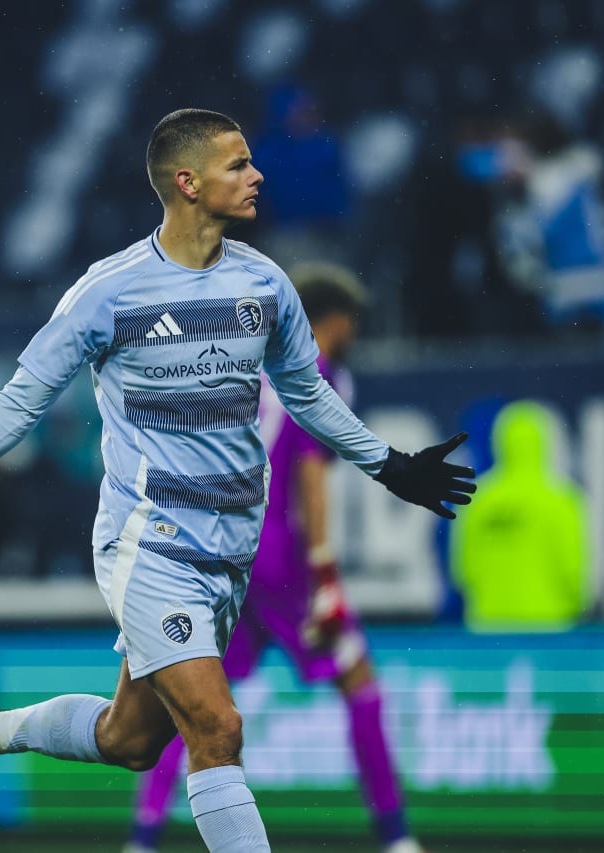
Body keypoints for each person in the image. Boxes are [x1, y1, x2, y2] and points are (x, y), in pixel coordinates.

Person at [0, 108, 476, 852]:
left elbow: (307, 394)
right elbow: (20, 401)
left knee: (133, 738)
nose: (256, 174)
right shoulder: (109, 292)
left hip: (230, 553)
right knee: (218, 726)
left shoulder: (264, 284)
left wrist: (390, 465)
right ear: (187, 181)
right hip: (151, 547)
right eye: (237, 164)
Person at [122, 263, 426, 853]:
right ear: (331, 321)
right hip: (283, 563)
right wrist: (327, 575)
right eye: (349, 324)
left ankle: (144, 836)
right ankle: (397, 839)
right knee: (361, 684)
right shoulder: (318, 373)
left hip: (223, 557)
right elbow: (310, 471)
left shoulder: (242, 361)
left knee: (193, 707)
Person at [450, 399, 587, 632]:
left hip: (490, 626)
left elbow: (463, 572)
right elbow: (573, 571)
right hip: (550, 624)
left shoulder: (478, 499)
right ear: (545, 442)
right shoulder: (562, 499)